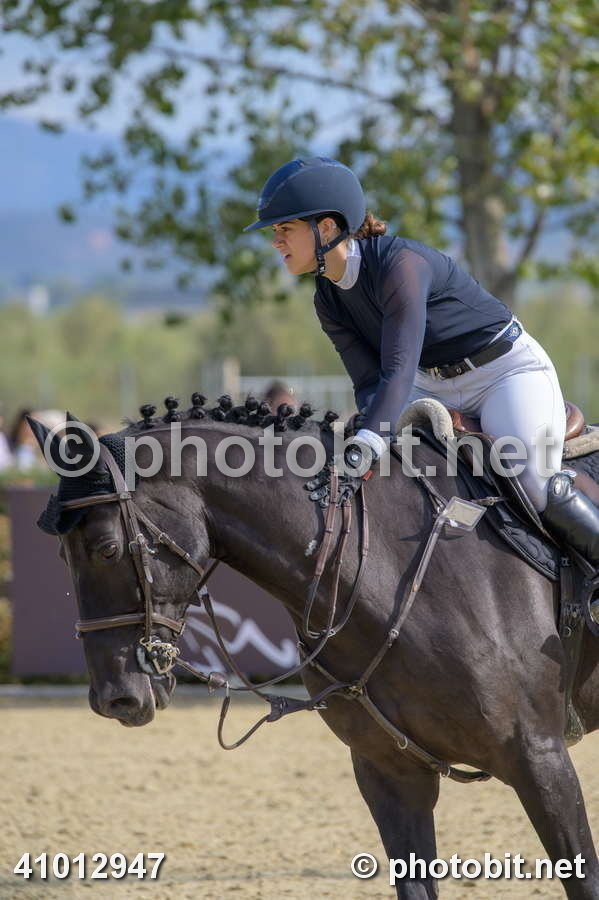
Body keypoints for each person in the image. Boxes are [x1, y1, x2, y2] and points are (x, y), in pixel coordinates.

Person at [244, 156, 599, 570]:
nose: (276, 241)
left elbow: (397, 367)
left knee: (530, 479)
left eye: (285, 229)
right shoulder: (327, 298)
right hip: (430, 384)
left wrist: (369, 441)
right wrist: (365, 440)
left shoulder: (400, 265)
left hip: (505, 372)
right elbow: (369, 383)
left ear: (325, 228)